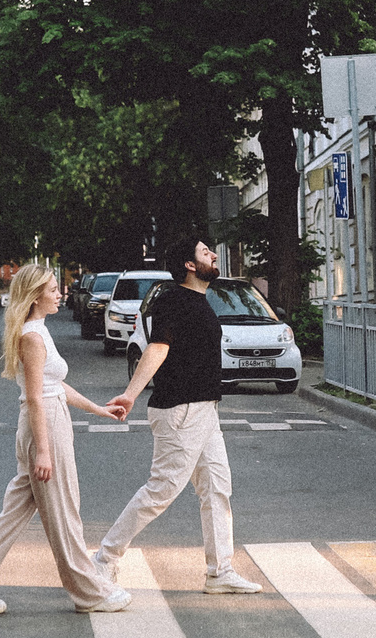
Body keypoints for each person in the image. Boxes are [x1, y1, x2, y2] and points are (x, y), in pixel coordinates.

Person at [0, 263, 132, 615]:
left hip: (45, 419)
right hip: (44, 425)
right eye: (52, 289)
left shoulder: (39, 331)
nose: (60, 293)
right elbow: (35, 397)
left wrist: (98, 408)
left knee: (14, 513)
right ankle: (89, 593)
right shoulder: (32, 338)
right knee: (64, 512)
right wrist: (44, 452)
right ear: (35, 297)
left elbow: (54, 386)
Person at [89, 237, 264, 595]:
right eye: (205, 252)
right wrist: (131, 394)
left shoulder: (200, 300)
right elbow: (158, 347)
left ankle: (220, 572)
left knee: (217, 488)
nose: (213, 255)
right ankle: (104, 559)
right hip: (181, 410)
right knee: (162, 491)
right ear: (188, 264)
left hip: (204, 409)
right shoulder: (172, 299)